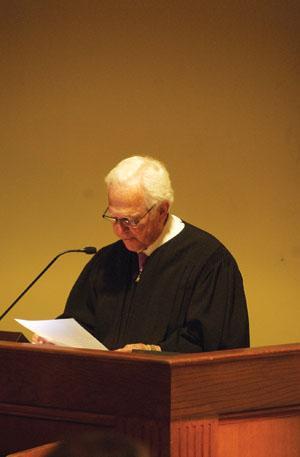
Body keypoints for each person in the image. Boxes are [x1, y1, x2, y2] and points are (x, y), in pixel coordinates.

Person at [35, 155, 249, 352]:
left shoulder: (209, 262)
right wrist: (57, 339)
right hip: (103, 386)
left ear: (162, 210)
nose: (119, 230)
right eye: (114, 218)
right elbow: (82, 323)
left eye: (131, 220)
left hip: (171, 389)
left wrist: (153, 353)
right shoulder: (106, 260)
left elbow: (212, 343)